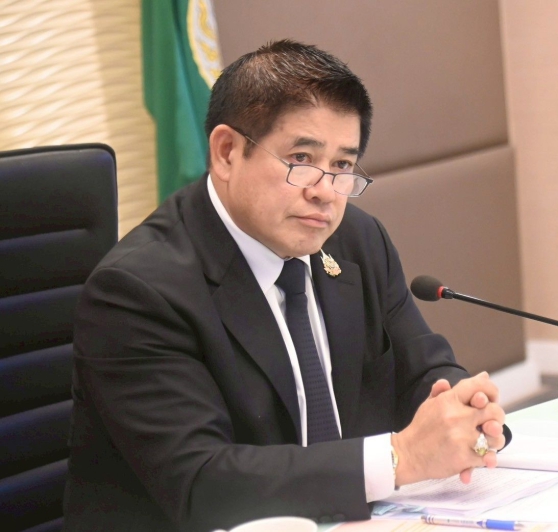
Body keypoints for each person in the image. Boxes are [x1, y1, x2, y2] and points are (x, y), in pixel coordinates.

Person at [63, 40, 506, 531]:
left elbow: (421, 367)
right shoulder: (137, 291)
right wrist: (401, 456)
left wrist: (462, 410)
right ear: (227, 152)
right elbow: (202, 483)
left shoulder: (357, 240)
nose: (325, 192)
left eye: (342, 166)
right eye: (302, 158)